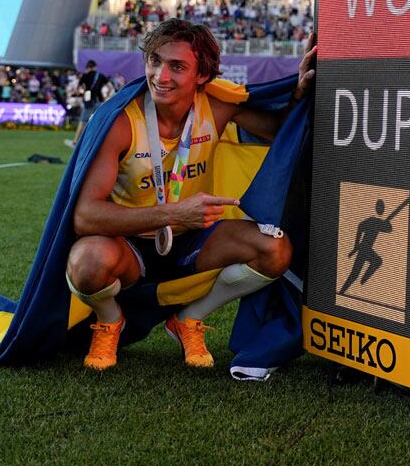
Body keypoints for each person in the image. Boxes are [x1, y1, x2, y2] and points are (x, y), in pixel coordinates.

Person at [66, 18, 316, 370]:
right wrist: (172, 214)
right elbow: (84, 216)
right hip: (128, 244)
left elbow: (281, 130)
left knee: (275, 250)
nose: (161, 76)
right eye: (154, 61)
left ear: (202, 75)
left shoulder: (216, 106)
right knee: (86, 262)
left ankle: (188, 319)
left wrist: (300, 92)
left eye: (177, 66)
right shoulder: (122, 122)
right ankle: (110, 320)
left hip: (193, 239)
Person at [66, 60, 111, 148]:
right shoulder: (100, 75)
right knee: (99, 121)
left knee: (83, 121)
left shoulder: (85, 76)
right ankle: (99, 142)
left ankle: (75, 142)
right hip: (100, 101)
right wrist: (107, 96)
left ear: (87, 67)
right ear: (95, 67)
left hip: (89, 101)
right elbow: (110, 86)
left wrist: (83, 93)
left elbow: (78, 89)